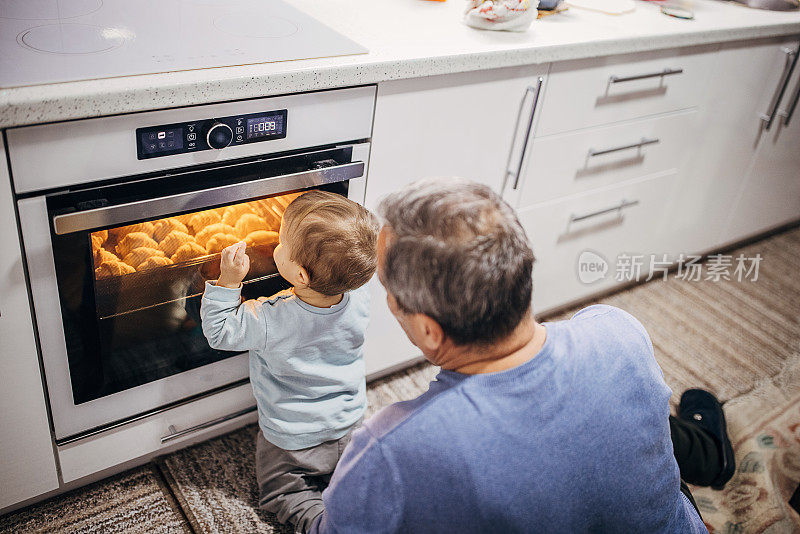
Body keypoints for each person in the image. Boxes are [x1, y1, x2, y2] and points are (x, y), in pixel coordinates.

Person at [309, 178, 734, 533]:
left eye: (386, 290)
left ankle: (709, 448)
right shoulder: (617, 332)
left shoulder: (389, 448)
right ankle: (711, 451)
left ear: (428, 331)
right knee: (622, 400)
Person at [200, 190, 380, 533]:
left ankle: (319, 522)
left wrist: (228, 281)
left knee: (286, 492)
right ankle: (360, 496)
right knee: (352, 474)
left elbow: (220, 332)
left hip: (292, 439)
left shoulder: (270, 319)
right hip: (350, 423)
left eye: (281, 241)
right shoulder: (360, 296)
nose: (275, 245)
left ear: (300, 276)